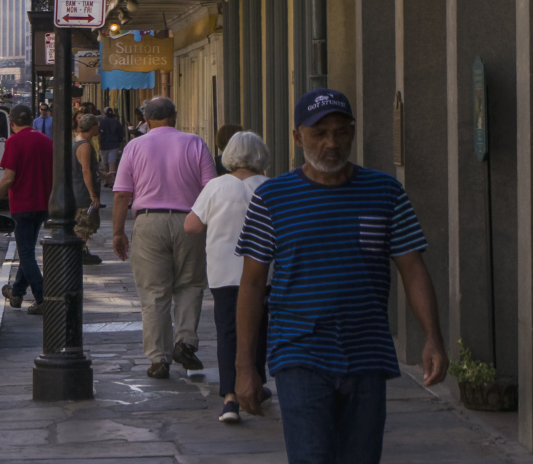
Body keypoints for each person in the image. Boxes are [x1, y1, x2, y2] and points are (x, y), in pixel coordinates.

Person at [237, 90, 446, 462]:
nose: (331, 143)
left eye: (341, 132)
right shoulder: (272, 198)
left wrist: (432, 337)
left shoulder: (385, 193)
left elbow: (413, 268)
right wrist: (244, 368)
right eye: (319, 134)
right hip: (299, 353)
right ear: (298, 137)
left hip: (367, 354)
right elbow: (252, 284)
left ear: (353, 133)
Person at [110, 94, 214, 378]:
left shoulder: (134, 146)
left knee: (154, 294)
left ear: (146, 120)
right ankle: (185, 341)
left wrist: (118, 232)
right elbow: (210, 190)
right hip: (190, 221)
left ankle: (159, 359)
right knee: (190, 285)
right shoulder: (195, 143)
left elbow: (121, 195)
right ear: (175, 116)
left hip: (149, 222)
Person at [188, 129, 271, 425]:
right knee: (258, 330)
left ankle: (230, 399)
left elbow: (191, 226)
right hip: (263, 273)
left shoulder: (216, 186)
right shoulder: (269, 187)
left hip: (223, 272)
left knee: (228, 333)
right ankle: (256, 384)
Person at [0, 104, 52, 310]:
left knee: (26, 254)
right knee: (27, 250)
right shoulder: (46, 141)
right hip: (42, 204)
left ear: (11, 122)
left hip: (22, 205)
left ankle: (42, 298)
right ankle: (17, 292)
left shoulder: (14, 141)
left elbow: (7, 179)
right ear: (32, 120)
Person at [71, 112, 103, 265]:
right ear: (93, 126)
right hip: (84, 194)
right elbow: (85, 170)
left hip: (79, 191)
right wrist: (93, 195)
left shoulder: (76, 141)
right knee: (84, 223)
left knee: (87, 221)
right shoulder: (84, 145)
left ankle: (82, 249)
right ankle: (80, 251)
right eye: (97, 124)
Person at [98, 105, 126, 180]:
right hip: (114, 145)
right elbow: (120, 132)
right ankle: (112, 179)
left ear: (105, 113)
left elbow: (99, 133)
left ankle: (106, 179)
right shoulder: (116, 121)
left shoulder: (102, 122)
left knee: (105, 163)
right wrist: (120, 141)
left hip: (104, 145)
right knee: (112, 162)